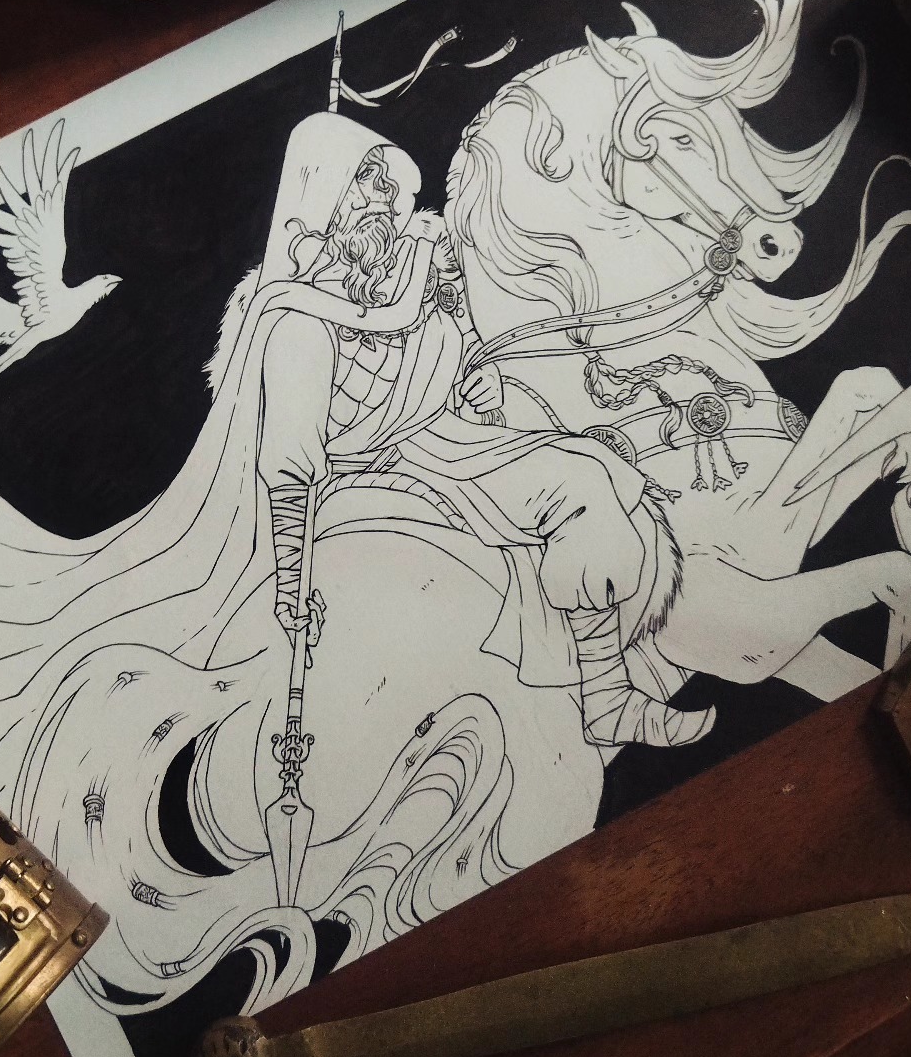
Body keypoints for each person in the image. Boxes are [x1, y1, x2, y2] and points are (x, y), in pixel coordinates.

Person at [243, 111, 678, 746]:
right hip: (369, 479)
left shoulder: (417, 284)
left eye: (385, 184)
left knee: (585, 472)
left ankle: (607, 697)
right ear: (319, 197)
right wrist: (291, 581)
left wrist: (483, 384)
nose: (380, 199)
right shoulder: (296, 321)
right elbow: (290, 464)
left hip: (450, 441)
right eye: (361, 183)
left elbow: (462, 361)